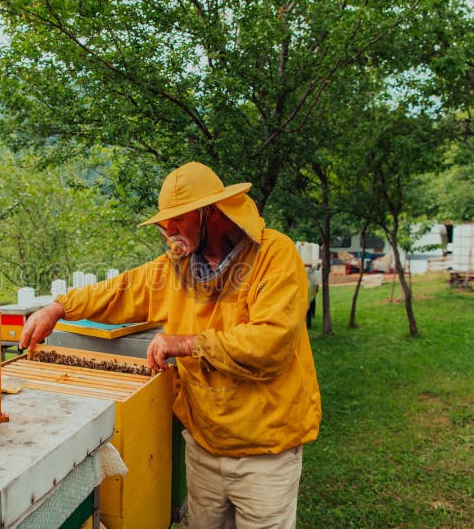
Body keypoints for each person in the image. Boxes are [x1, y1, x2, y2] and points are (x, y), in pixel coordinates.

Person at [20, 162, 321, 529]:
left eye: (178, 220)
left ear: (213, 213)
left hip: (265, 454)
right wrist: (59, 307)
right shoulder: (174, 267)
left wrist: (185, 343)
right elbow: (120, 291)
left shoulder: (274, 255)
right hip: (203, 445)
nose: (167, 230)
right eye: (165, 221)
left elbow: (271, 343)